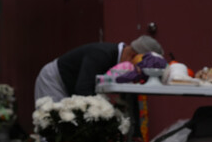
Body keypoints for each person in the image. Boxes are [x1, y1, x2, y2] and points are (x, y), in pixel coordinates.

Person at [34, 35, 163, 102]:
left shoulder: (120, 60)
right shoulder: (101, 55)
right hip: (55, 80)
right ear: (133, 56)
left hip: (72, 83)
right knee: (53, 126)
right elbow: (83, 89)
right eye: (139, 67)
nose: (137, 72)